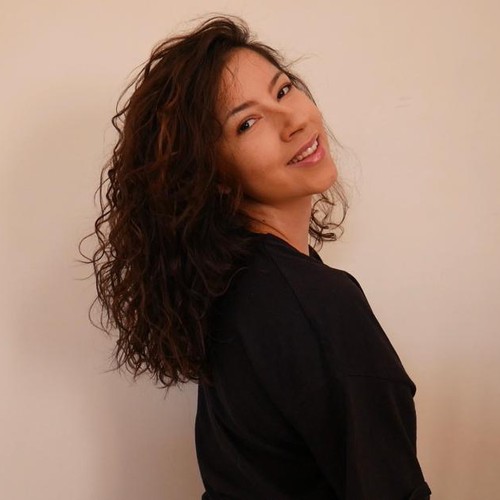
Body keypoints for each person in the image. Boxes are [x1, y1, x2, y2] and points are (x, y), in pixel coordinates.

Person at [80, 15, 432, 500]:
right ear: (213, 175)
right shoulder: (316, 303)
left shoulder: (230, 281)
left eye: (283, 90)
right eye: (247, 123)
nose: (294, 121)